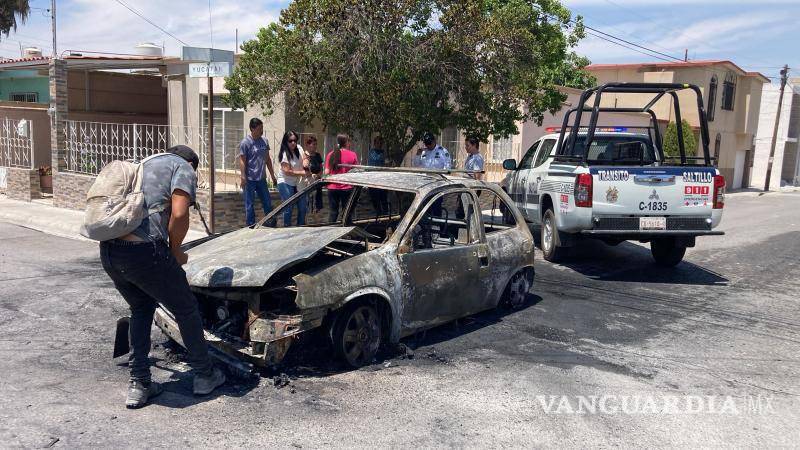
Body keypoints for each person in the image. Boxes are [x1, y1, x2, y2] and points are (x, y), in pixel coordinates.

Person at [99, 145, 225, 409]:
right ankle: (205, 375)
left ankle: (139, 383)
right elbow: (179, 214)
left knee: (141, 308)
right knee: (186, 308)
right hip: (145, 251)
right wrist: (176, 251)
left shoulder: (143, 165)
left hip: (110, 251)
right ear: (193, 164)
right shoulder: (183, 167)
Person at [239, 118, 278, 226]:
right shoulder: (245, 142)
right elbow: (242, 160)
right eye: (259, 128)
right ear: (252, 128)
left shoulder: (264, 141)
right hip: (250, 179)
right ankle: (250, 226)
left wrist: (272, 175)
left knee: (267, 203)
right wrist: (243, 176)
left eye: (262, 128)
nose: (261, 131)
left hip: (261, 179)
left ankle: (271, 224)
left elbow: (267, 159)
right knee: (249, 205)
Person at [276, 131, 309, 226]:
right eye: (290, 141)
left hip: (298, 182)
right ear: (286, 142)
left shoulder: (299, 148)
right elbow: (287, 171)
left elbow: (304, 158)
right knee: (288, 207)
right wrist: (302, 172)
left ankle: (300, 227)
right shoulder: (284, 154)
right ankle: (287, 228)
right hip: (285, 182)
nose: (293, 143)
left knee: (303, 207)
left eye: (295, 140)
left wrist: (305, 162)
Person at [325, 133, 359, 223]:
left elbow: (326, 172)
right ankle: (346, 233)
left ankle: (329, 232)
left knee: (333, 213)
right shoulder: (352, 155)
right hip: (346, 188)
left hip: (332, 188)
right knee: (346, 213)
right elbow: (356, 172)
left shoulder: (330, 154)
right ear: (346, 142)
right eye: (349, 141)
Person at [304, 135, 324, 212]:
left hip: (317, 183)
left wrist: (318, 175)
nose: (315, 146)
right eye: (313, 144)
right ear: (307, 145)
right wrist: (311, 175)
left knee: (317, 207)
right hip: (308, 184)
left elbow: (321, 168)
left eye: (316, 144)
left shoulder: (318, 155)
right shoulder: (304, 155)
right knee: (308, 205)